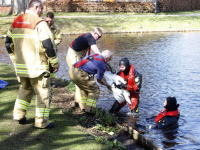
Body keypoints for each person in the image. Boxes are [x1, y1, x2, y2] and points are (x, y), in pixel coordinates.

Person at [5, 0, 59, 129]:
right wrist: (55, 62)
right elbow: (48, 45)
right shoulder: (40, 23)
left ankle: (19, 115)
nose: (42, 11)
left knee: (25, 89)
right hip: (38, 67)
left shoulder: (16, 22)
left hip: (22, 67)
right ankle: (41, 122)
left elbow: (8, 43)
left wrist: (14, 59)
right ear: (36, 7)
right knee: (43, 93)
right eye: (41, 8)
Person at [66, 27, 103, 111]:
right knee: (80, 79)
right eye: (99, 37)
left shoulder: (87, 37)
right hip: (74, 56)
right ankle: (82, 106)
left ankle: (78, 103)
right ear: (94, 33)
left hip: (76, 55)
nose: (99, 39)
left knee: (79, 81)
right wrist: (103, 59)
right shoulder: (90, 37)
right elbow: (97, 52)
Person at [69, 50, 113, 115]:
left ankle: (83, 108)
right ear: (106, 58)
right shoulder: (101, 65)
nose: (110, 61)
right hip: (80, 74)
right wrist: (108, 85)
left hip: (72, 70)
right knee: (94, 90)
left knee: (84, 89)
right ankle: (89, 111)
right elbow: (99, 80)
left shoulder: (95, 55)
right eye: (110, 59)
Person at [45, 12, 62, 88]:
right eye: (47, 21)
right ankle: (44, 81)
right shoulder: (42, 25)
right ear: (45, 18)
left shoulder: (56, 28)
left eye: (50, 21)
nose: (49, 22)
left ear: (53, 19)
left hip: (52, 49)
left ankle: (52, 82)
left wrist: (52, 43)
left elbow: (59, 39)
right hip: (43, 49)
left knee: (53, 66)